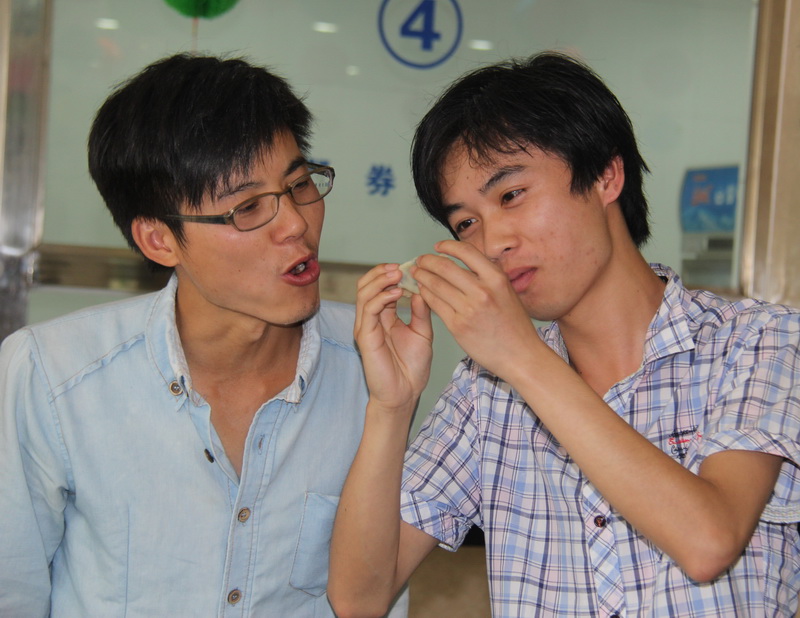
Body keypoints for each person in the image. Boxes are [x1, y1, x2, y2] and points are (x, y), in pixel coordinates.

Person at [328, 51, 800, 617]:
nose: (493, 242)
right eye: (466, 223)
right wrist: (392, 405)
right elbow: (359, 597)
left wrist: (521, 358)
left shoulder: (758, 340)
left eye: (511, 195)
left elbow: (708, 541)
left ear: (606, 175)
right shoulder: (484, 391)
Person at [0, 53, 407, 617]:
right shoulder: (54, 376)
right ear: (159, 240)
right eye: (248, 207)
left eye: (299, 184)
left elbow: (378, 594)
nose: (296, 223)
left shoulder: (376, 366)